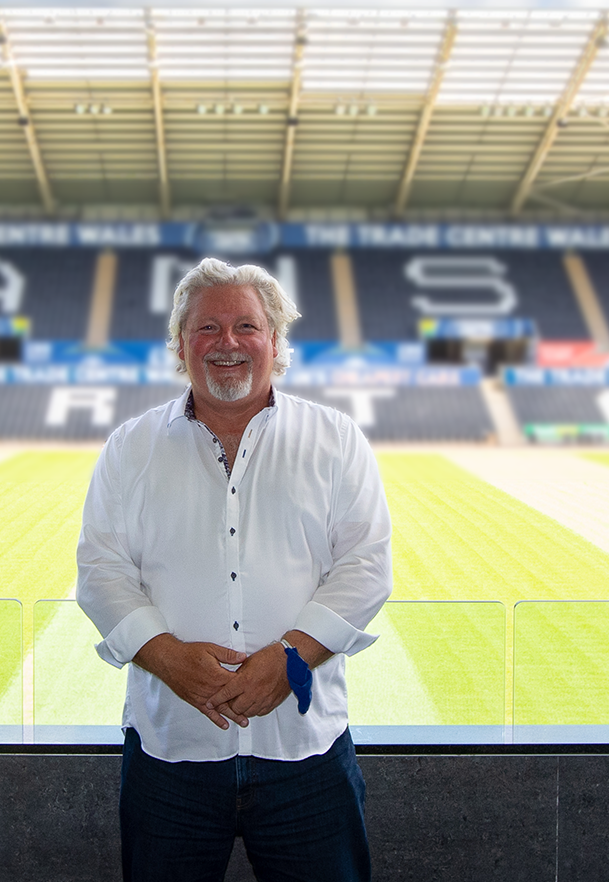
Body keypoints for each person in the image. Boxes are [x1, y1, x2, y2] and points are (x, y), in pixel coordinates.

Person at [77, 258, 392, 881]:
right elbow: (101, 570)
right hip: (172, 755)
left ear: (275, 342)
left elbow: (366, 565)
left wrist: (291, 659)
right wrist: (167, 658)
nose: (227, 344)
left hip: (305, 752)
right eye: (206, 328)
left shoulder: (335, 439)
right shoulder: (131, 447)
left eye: (246, 326)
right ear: (180, 344)